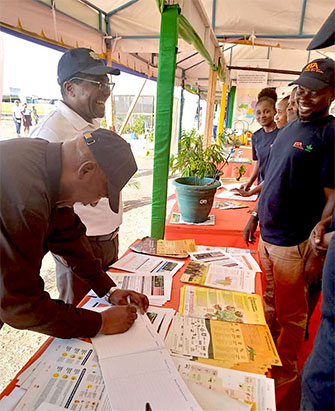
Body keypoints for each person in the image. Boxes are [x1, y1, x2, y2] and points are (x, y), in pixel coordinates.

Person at [0, 129, 149, 338]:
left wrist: (109, 290)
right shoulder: (26, 199)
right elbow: (20, 305)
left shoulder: (45, 166)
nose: (94, 202)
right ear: (86, 170)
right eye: (100, 193)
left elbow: (69, 236)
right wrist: (99, 323)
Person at [243, 57, 335, 388]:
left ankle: (286, 368)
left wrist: (317, 250)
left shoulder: (330, 133)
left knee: (292, 314)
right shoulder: (290, 128)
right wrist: (254, 214)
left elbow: (332, 197)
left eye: (315, 91)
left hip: (295, 241)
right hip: (267, 234)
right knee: (269, 301)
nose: (304, 97)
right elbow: (273, 176)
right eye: (300, 89)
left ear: (332, 94)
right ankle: (267, 351)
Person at [30, 48, 122, 306]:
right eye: (97, 83)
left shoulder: (91, 122)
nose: (106, 90)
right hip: (78, 246)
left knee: (109, 305)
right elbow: (43, 208)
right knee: (80, 316)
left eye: (107, 82)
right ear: (70, 88)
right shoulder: (49, 134)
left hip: (108, 239)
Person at [235, 95, 278, 197]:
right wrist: (249, 183)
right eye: (258, 113)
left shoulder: (282, 134)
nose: (262, 116)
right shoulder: (256, 136)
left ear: (274, 111)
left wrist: (251, 192)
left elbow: (278, 169)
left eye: (266, 111)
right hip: (262, 186)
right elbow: (259, 161)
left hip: (277, 186)